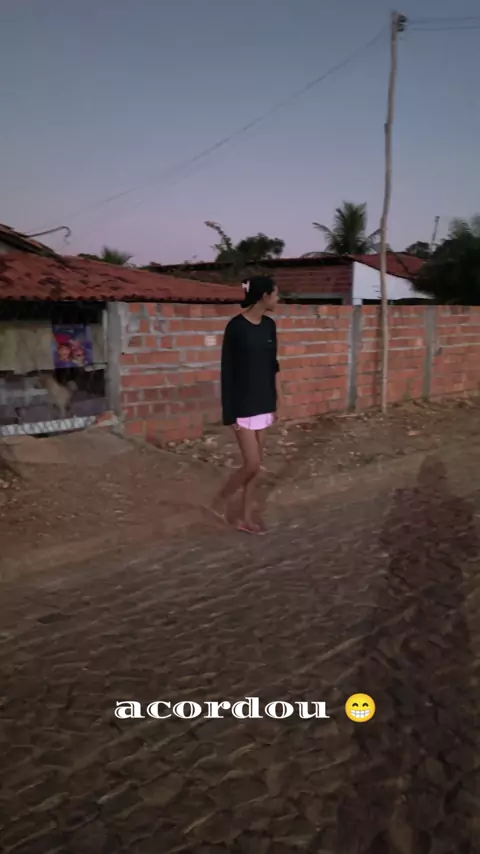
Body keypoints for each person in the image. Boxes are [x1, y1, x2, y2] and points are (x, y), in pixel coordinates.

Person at [212, 275, 282, 534]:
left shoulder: (270, 326)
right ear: (264, 296)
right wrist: (229, 413)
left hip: (264, 401)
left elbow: (273, 364)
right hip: (242, 405)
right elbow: (227, 371)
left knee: (256, 467)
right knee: (251, 463)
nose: (278, 299)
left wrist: (279, 397)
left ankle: (246, 517)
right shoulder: (236, 327)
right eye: (276, 294)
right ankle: (220, 500)